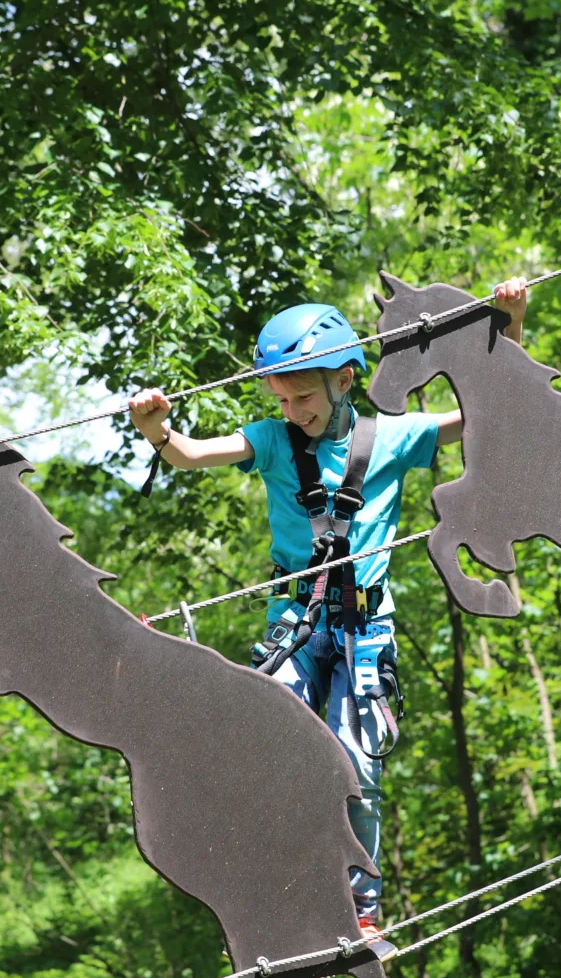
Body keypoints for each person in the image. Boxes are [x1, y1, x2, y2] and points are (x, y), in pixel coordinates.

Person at [129, 279, 528, 942]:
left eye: (303, 397)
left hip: (365, 631)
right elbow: (193, 454)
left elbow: (490, 415)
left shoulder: (394, 438)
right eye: (281, 398)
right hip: (295, 624)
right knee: (267, 743)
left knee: (355, 765)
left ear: (347, 377)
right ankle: (278, 888)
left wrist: (509, 324)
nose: (293, 410)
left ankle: (359, 910)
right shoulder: (271, 440)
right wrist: (156, 430)